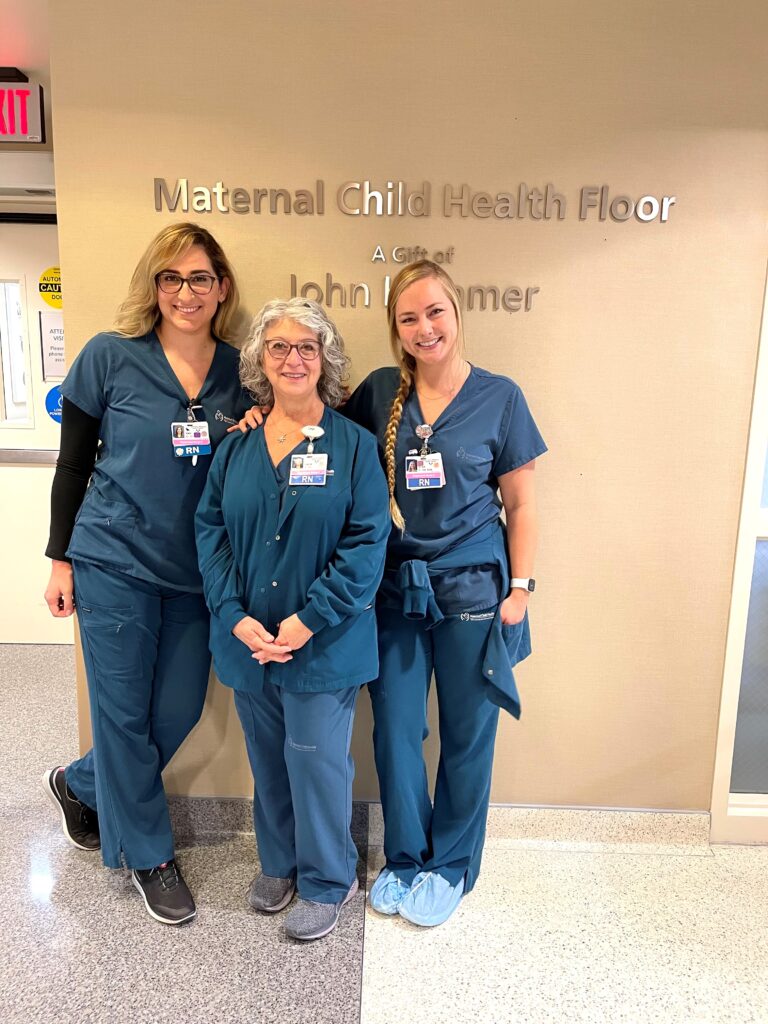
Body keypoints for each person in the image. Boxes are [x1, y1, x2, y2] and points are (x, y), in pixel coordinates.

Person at [238, 259, 546, 927]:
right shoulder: (380, 393)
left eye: (435, 312)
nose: (424, 327)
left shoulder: (501, 397)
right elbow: (310, 415)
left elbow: (521, 505)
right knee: (399, 734)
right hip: (393, 594)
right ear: (395, 329)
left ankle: (451, 865)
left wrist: (519, 589)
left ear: (457, 314)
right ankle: (406, 859)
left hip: (473, 592)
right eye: (409, 318)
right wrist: (260, 412)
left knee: (467, 735)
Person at [42, 222, 250, 925]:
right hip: (111, 559)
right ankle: (150, 856)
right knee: (124, 716)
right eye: (170, 278)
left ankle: (79, 784)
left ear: (221, 287)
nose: (185, 292)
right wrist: (59, 559)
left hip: (194, 572)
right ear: (153, 287)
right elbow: (72, 463)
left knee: (179, 709)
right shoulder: (109, 357)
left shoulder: (240, 372)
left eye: (198, 278)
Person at [195, 298, 389, 942]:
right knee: (268, 759)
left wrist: (307, 621)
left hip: (323, 645)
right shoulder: (236, 447)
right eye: (279, 346)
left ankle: (328, 879)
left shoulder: (355, 448)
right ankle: (278, 864)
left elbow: (367, 546)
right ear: (260, 361)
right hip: (249, 642)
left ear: (326, 359)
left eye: (307, 346)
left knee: (316, 760)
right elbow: (211, 533)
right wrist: (233, 616)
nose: (293, 358)